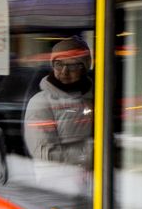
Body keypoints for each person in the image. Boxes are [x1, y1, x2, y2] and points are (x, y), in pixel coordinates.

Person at [24, 37, 94, 169]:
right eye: (59, 64)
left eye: (72, 65)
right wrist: (94, 153)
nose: (64, 71)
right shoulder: (41, 102)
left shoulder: (96, 98)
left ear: (84, 68)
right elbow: (45, 154)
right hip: (57, 182)